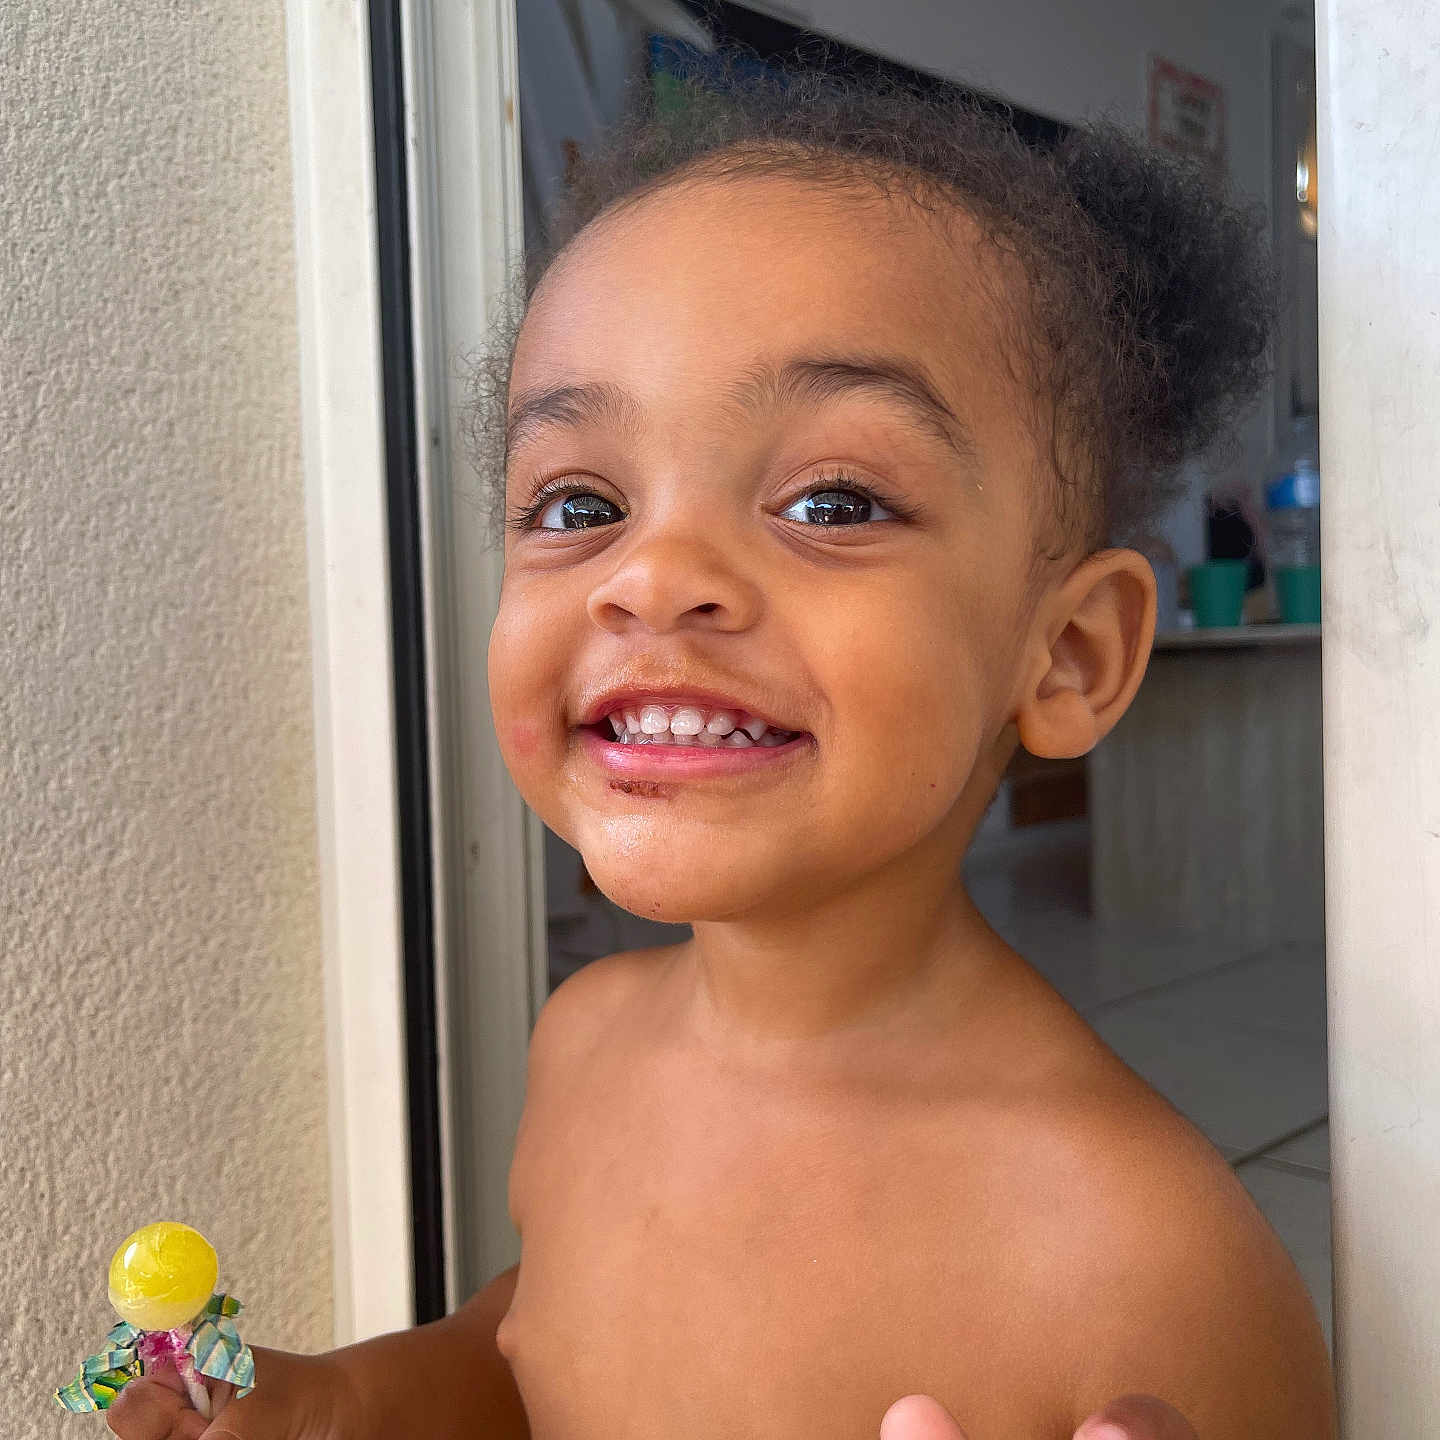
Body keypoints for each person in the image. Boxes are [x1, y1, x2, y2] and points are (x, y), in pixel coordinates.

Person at [108, 62, 1336, 1440]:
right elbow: (538, 1351)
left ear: (1067, 656)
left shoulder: (1147, 1258)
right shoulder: (583, 1048)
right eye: (578, 501)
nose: (652, 576)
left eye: (830, 497)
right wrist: (344, 1404)